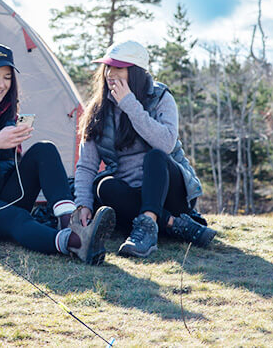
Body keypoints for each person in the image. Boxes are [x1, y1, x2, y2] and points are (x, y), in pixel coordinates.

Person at [0, 43, 115, 265]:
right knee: (17, 217)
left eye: (7, 77)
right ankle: (75, 243)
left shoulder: (6, 110)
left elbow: (10, 167)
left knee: (45, 150)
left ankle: (70, 223)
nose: (1, 84)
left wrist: (14, 147)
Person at [74, 39, 216, 258]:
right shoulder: (98, 109)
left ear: (136, 72)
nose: (110, 73)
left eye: (119, 68)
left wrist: (130, 104)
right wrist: (82, 204)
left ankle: (150, 225)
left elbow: (166, 143)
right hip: (131, 196)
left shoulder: (161, 97)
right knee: (105, 186)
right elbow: (86, 165)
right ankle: (172, 224)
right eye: (108, 67)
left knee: (156, 157)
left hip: (170, 190)